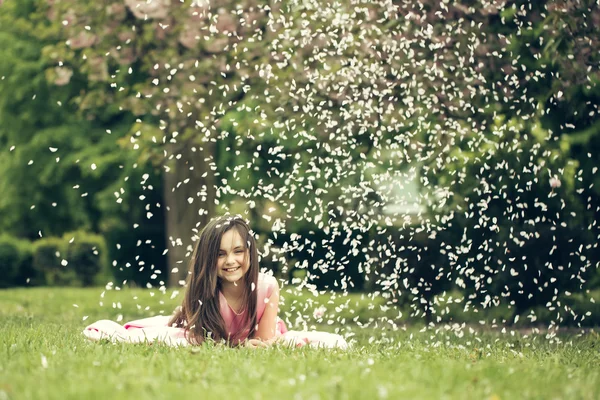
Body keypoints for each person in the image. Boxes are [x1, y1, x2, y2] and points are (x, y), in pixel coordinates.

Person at [83, 215, 348, 349]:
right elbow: (203, 339)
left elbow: (265, 341)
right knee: (167, 339)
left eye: (238, 251)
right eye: (220, 254)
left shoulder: (266, 287)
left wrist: (255, 346)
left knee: (329, 341)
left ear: (249, 253)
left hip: (252, 338)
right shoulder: (206, 287)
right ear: (209, 259)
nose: (230, 261)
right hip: (204, 336)